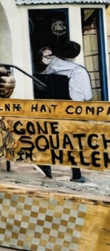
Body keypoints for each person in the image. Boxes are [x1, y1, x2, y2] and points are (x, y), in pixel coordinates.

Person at [39, 40, 93, 183]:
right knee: (73, 143)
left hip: (52, 111)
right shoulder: (78, 71)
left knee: (52, 139)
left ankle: (46, 165)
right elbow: (86, 96)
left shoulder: (51, 67)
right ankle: (76, 174)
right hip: (72, 112)